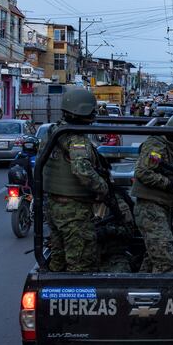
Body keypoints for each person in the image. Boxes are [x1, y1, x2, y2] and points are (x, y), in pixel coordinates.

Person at [43, 89, 109, 273]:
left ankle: (56, 293)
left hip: (54, 205)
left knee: (58, 258)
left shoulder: (53, 132)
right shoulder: (77, 140)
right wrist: (103, 188)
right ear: (84, 111)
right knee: (80, 263)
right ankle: (75, 298)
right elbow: (82, 171)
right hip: (74, 210)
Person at [131, 112, 173, 273]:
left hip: (162, 208)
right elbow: (142, 172)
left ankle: (140, 289)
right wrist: (169, 184)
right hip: (150, 208)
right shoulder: (157, 145)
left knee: (153, 259)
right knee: (166, 262)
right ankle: (163, 297)